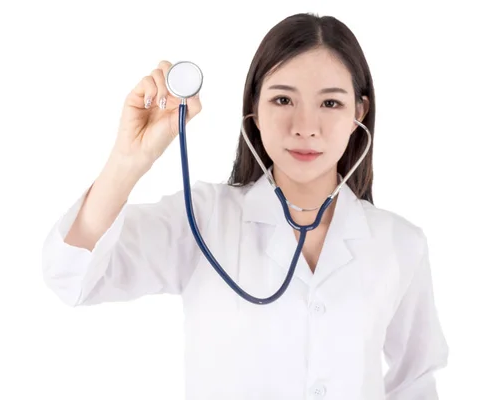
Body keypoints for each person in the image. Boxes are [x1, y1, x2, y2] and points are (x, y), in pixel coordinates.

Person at [41, 12, 449, 399]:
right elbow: (73, 277)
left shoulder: (400, 244)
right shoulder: (203, 219)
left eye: (330, 103)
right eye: (283, 100)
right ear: (253, 108)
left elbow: (415, 381)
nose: (305, 126)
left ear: (360, 111)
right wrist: (127, 161)